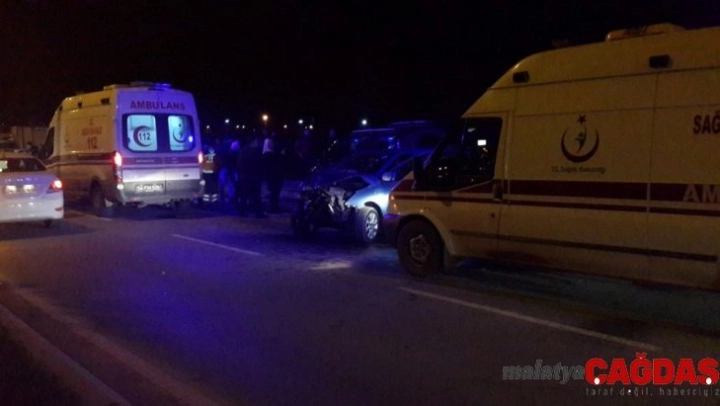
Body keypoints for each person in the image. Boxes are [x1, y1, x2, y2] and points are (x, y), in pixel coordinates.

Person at [236, 136, 266, 218]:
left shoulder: (243, 151)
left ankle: (242, 212)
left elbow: (239, 164)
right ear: (253, 142)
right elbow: (260, 164)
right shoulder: (256, 151)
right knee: (256, 196)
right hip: (254, 177)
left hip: (244, 177)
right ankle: (257, 212)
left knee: (244, 195)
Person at [263, 132, 284, 213]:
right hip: (275, 176)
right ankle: (274, 207)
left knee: (274, 192)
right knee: (274, 193)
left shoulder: (270, 155)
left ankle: (274, 206)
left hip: (274, 176)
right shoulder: (272, 155)